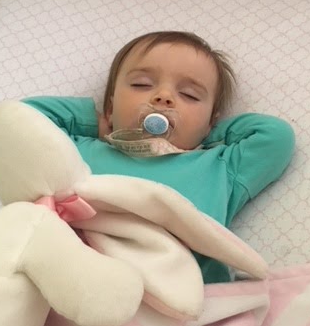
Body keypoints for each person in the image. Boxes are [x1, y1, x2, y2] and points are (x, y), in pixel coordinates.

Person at [23, 31, 295, 283]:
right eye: (141, 84)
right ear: (110, 106)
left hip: (178, 292)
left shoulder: (220, 167)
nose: (163, 97)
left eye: (189, 95)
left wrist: (208, 133)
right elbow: (20, 119)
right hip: (72, 276)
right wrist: (93, 122)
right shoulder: (75, 150)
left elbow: (276, 136)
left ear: (211, 121)